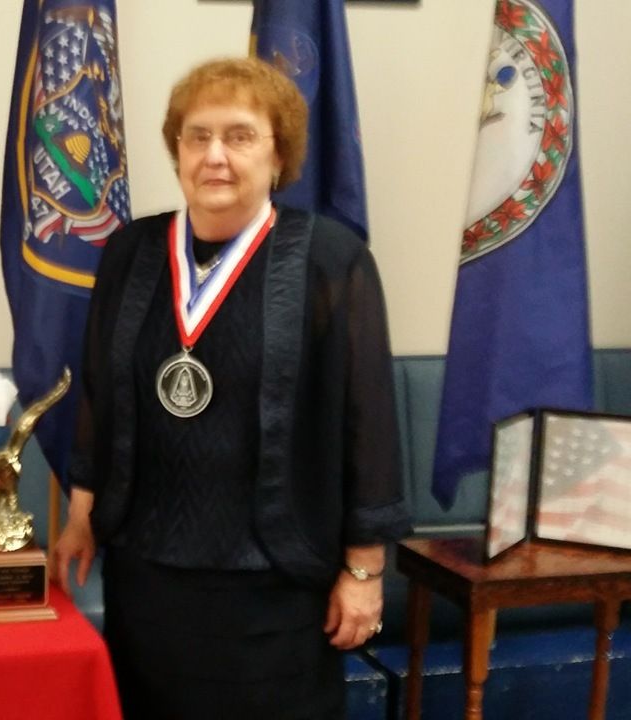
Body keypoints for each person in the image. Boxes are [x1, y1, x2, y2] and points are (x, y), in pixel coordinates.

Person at [51, 57, 412, 719]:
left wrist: (364, 573)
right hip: (149, 579)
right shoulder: (130, 253)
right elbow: (101, 395)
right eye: (198, 135)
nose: (215, 155)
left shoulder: (332, 261)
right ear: (177, 149)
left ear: (280, 154)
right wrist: (80, 515)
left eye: (240, 136)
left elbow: (370, 426)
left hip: (273, 589)